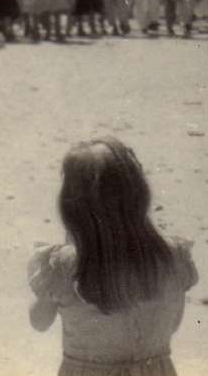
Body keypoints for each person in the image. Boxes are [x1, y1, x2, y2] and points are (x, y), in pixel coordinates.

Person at [27, 137, 198, 376]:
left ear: (71, 208)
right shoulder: (171, 257)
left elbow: (39, 322)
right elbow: (174, 323)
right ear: (140, 195)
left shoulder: (64, 266)